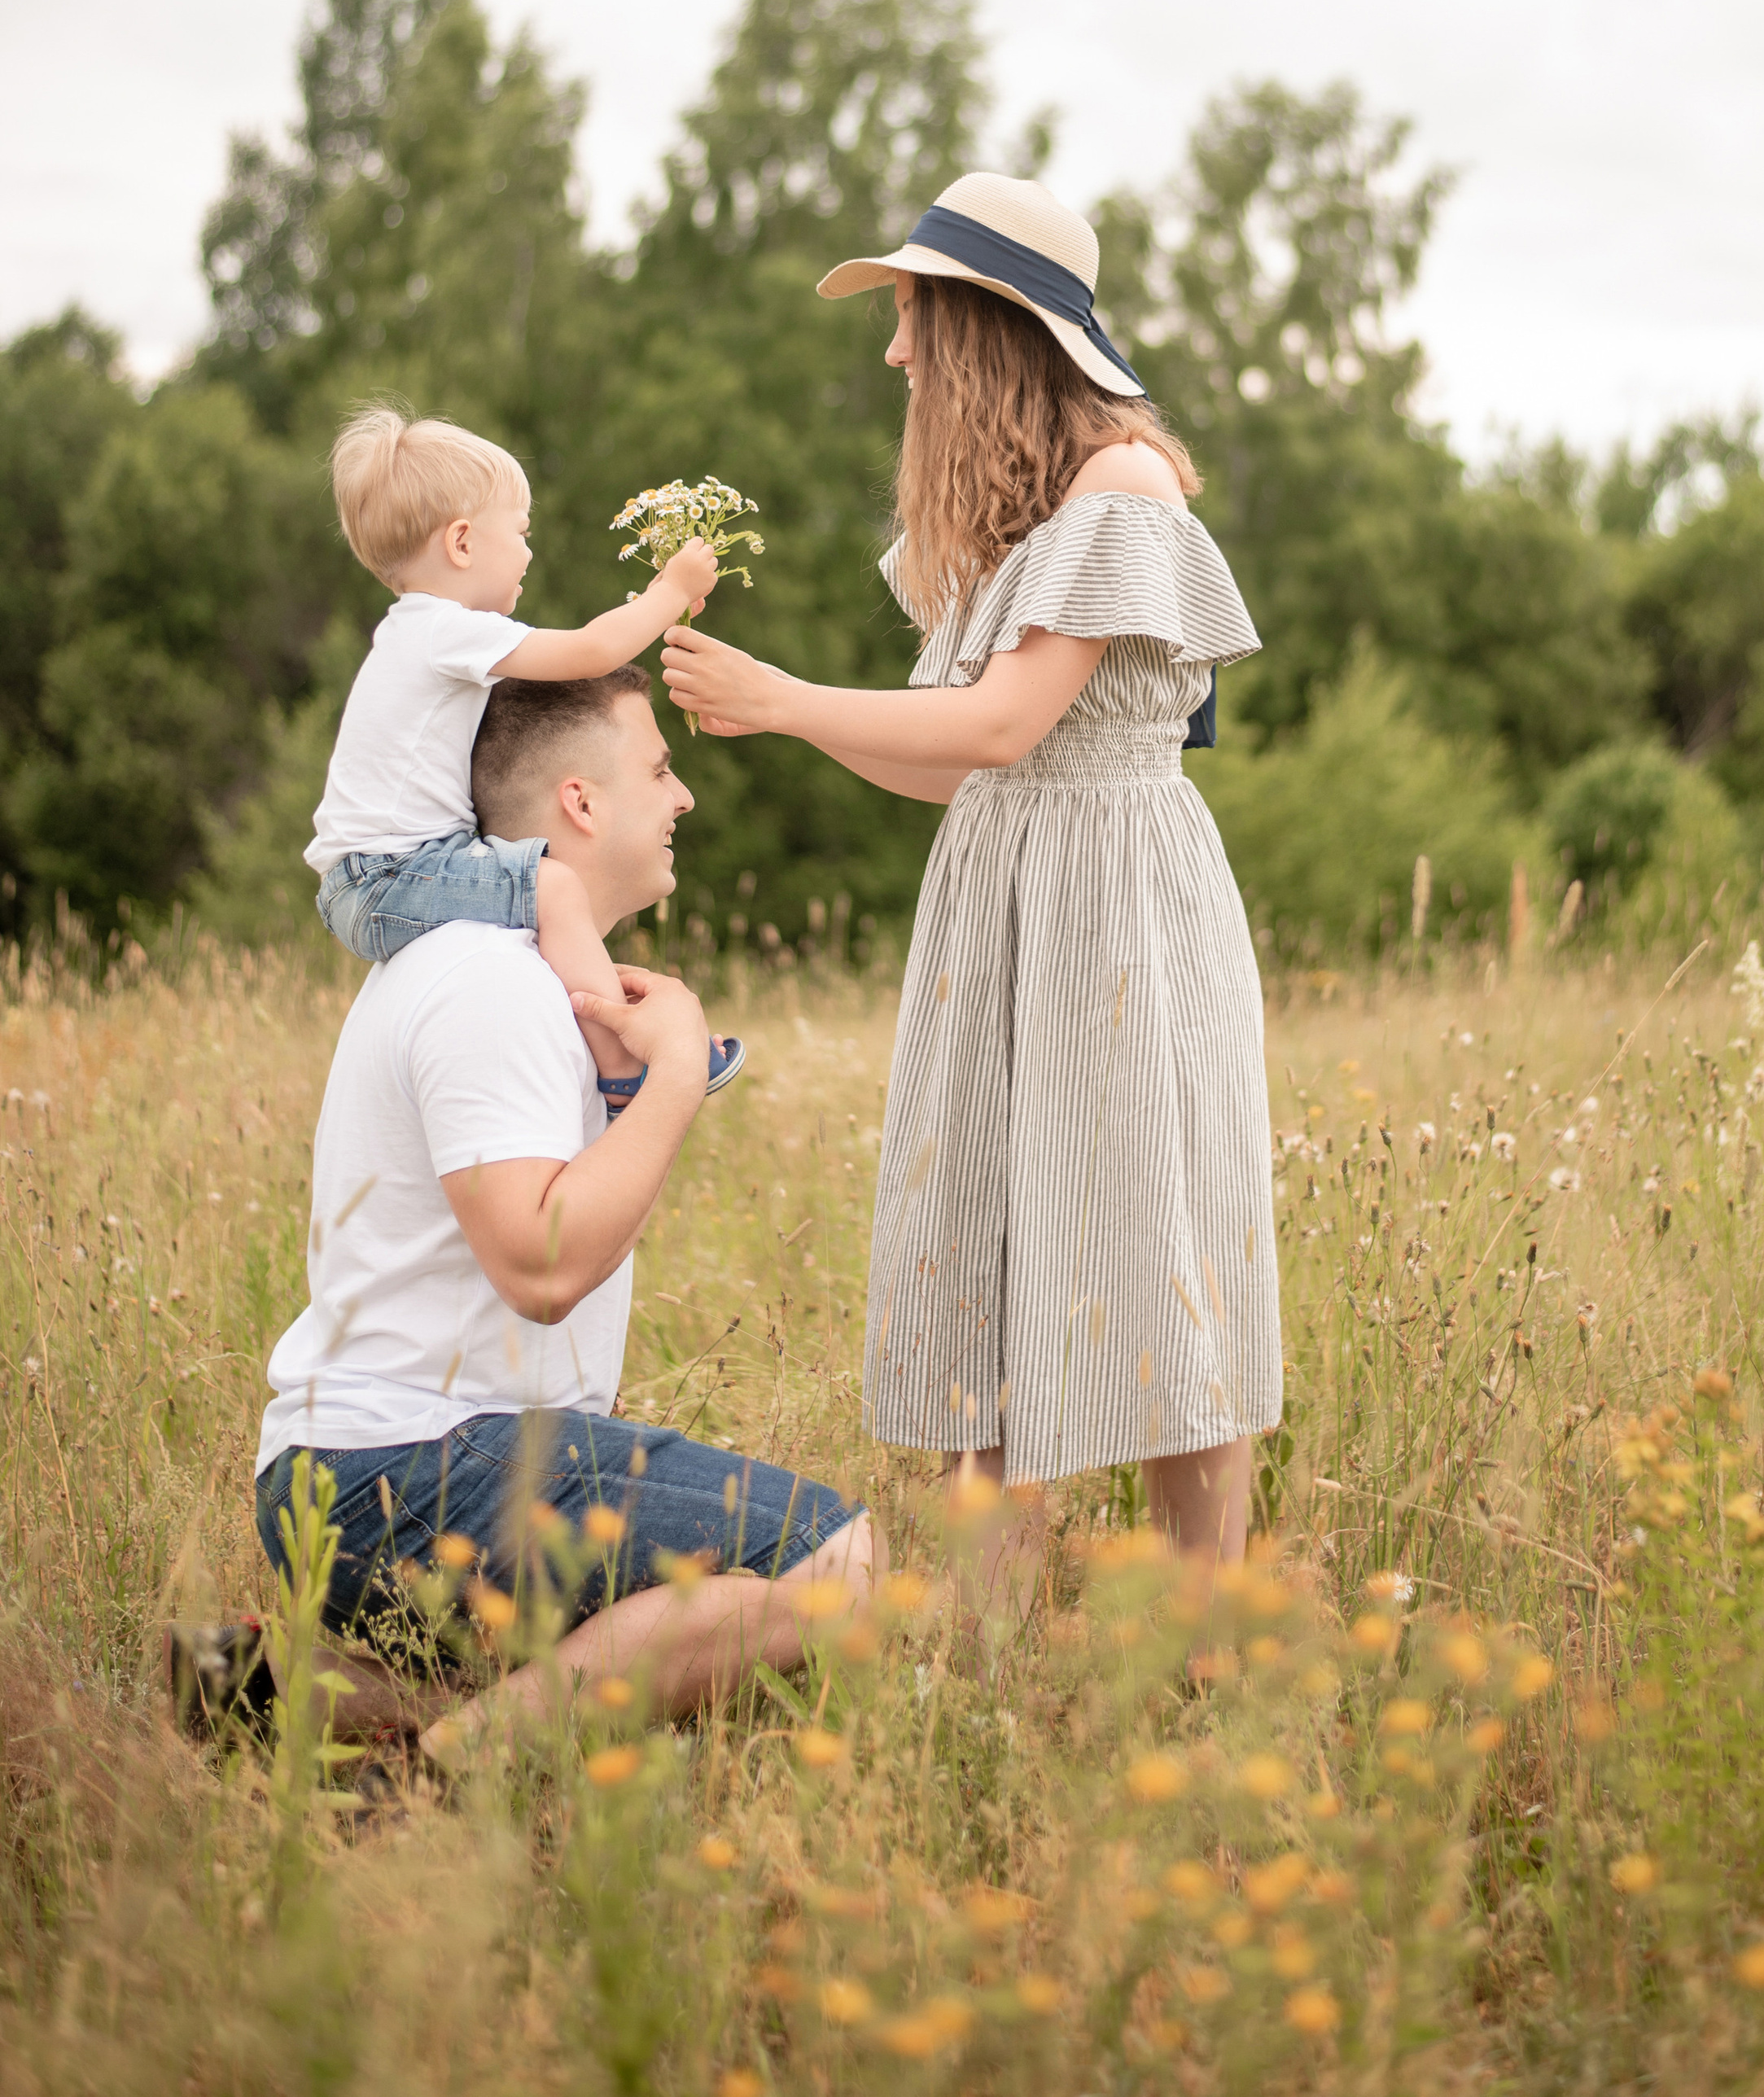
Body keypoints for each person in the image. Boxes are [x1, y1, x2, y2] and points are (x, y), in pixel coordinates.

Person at [663, 172, 1280, 1591]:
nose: (895, 351)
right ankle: (988, 1676)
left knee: (1154, 1250)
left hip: (1118, 909)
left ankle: (1202, 1639)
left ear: (990, 323)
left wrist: (787, 695)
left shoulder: (1121, 485)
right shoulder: (1004, 515)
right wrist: (793, 714)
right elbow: (960, 767)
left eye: (914, 315)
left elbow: (1002, 725)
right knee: (992, 1264)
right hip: (1002, 909)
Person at [254, 664, 876, 1743]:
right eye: (661, 767)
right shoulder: (488, 982)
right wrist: (676, 1074)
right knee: (830, 1562)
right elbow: (540, 1266)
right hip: (401, 1470)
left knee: (689, 1664)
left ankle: (304, 1694)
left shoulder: (518, 973)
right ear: (581, 801)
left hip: (406, 1468)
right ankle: (444, 1777)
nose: (684, 797)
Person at [307, 405, 720, 1098]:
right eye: (522, 533)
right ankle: (625, 1068)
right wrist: (669, 590)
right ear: (463, 543)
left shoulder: (419, 635)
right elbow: (592, 651)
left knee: (542, 902)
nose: (530, 553)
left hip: (370, 877)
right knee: (555, 884)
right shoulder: (445, 628)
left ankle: (606, 1042)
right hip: (386, 876)